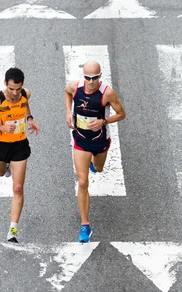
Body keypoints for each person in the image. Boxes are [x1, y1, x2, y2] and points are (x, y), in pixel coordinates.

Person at [64, 61, 126, 243]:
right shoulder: (75, 87)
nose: (90, 82)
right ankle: (85, 225)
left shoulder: (107, 93)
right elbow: (66, 92)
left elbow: (122, 114)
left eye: (94, 78)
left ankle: (93, 163)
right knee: (82, 182)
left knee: (98, 168)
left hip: (100, 140)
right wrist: (69, 112)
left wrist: (103, 122)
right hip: (80, 140)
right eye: (87, 78)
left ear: (100, 76)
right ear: (83, 76)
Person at [0, 67, 39, 243]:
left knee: (18, 188)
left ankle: (12, 230)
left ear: (22, 86)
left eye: (17, 89)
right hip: (0, 145)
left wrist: (29, 119)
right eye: (11, 88)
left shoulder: (26, 94)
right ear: (5, 84)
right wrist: (1, 127)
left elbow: (25, 104)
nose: (14, 93)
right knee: (0, 172)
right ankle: (5, 168)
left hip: (20, 145)